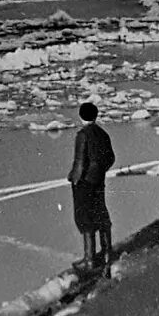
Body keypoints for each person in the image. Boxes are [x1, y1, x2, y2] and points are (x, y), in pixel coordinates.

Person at [67, 102, 115, 271]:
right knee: (101, 213)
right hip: (98, 180)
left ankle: (90, 259)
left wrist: (74, 178)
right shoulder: (103, 133)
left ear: (81, 116)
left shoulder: (82, 134)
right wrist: (99, 171)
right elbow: (110, 158)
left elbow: (79, 161)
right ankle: (107, 253)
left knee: (85, 218)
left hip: (85, 182)